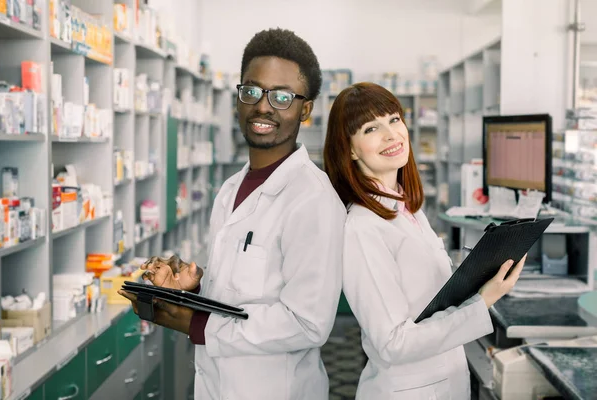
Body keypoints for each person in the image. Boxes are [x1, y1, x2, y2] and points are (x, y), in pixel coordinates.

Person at [119, 28, 346, 400]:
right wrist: (191, 288)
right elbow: (243, 287)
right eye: (252, 91)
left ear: (306, 109)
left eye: (283, 97)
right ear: (238, 98)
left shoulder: (314, 200)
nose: (263, 106)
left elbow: (308, 324)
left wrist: (198, 325)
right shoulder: (229, 190)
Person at [322, 82, 527, 400]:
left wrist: (480, 270)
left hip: (442, 381)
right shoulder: (361, 228)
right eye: (371, 128)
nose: (391, 135)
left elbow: (426, 298)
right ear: (348, 149)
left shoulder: (407, 208)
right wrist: (482, 301)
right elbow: (393, 343)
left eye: (394, 119)